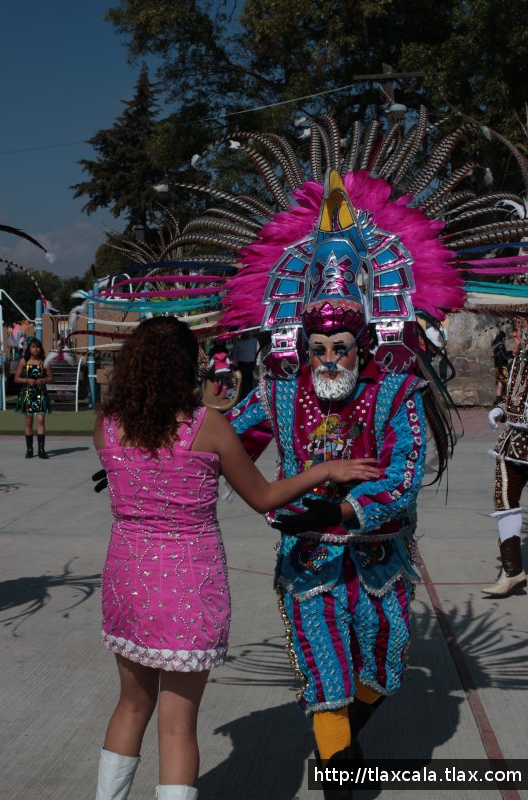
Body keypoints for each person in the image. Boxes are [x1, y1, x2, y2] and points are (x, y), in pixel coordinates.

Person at [92, 315, 379, 800]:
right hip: (187, 582)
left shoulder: (107, 424)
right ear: (187, 368)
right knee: (177, 727)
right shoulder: (207, 427)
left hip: (127, 578)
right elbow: (264, 496)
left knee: (130, 707)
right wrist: (325, 469)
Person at [224, 173, 437, 799]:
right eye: (317, 347)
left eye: (340, 348)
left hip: (378, 562)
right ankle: (338, 769)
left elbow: (403, 477)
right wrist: (164, 450)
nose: (328, 361)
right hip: (310, 564)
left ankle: (339, 751)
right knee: (327, 679)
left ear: (362, 345)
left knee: (382, 672)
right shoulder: (280, 392)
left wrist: (344, 505)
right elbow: (226, 443)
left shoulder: (395, 392)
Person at [484, 324, 528, 597]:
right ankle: (512, 572)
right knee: (505, 504)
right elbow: (514, 395)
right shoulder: (521, 358)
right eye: (518, 329)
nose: (517, 334)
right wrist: (500, 410)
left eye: (521, 329)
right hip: (513, 443)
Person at [14, 337, 53, 458]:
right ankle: (29, 449)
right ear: (29, 348)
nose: (36, 349)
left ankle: (41, 449)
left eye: (38, 347)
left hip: (40, 393)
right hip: (28, 393)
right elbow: (16, 378)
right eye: (33, 347)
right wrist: (27, 380)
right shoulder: (23, 361)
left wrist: (43, 380)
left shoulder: (44, 361)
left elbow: (51, 378)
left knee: (41, 419)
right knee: (28, 421)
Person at [232, 334, 258, 400]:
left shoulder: (254, 340)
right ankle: (244, 397)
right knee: (243, 381)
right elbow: (235, 354)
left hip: (251, 363)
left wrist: (257, 363)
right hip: (242, 364)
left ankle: (251, 396)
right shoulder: (237, 342)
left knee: (250, 379)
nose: (245, 333)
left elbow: (257, 351)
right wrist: (236, 365)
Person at [491, 330, 512, 405]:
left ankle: (498, 400)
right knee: (507, 383)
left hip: (497, 367)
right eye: (504, 338)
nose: (505, 339)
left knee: (500, 384)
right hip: (502, 367)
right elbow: (504, 356)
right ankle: (507, 399)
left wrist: (509, 352)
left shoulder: (495, 345)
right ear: (502, 337)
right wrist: (512, 354)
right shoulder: (501, 345)